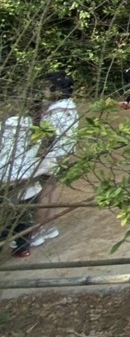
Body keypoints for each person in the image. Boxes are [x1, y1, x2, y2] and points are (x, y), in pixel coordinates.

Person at [34, 72, 79, 246]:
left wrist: (39, 153)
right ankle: (49, 227)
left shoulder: (56, 111)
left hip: (50, 155)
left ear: (55, 89)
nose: (44, 91)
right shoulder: (68, 106)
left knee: (40, 193)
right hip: (61, 153)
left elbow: (48, 137)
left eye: (46, 87)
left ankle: (36, 231)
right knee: (50, 191)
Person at [1, 115, 44, 257]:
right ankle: (21, 247)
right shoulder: (33, 143)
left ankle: (20, 246)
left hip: (20, 190)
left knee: (18, 220)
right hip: (23, 190)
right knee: (21, 220)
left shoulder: (31, 144)